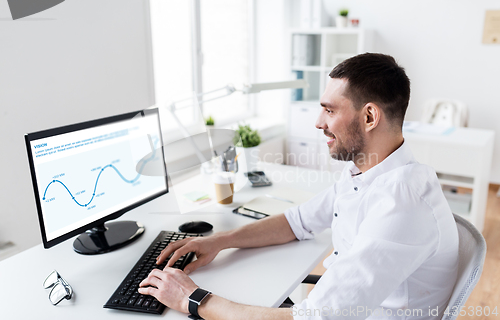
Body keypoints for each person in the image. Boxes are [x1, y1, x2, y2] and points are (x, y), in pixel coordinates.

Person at [138, 53, 459, 320]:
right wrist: (220, 241)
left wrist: (193, 300)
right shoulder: (368, 170)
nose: (319, 122)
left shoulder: (401, 203)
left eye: (330, 110)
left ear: (370, 116)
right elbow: (298, 221)